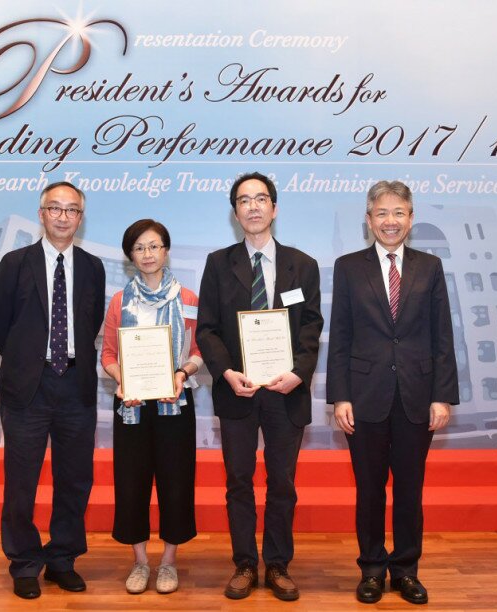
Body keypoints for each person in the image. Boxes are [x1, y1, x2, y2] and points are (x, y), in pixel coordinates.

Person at [326, 180, 459, 605]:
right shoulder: (348, 267)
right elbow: (341, 336)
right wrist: (339, 396)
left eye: (398, 213)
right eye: (381, 213)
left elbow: (442, 337)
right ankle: (370, 569)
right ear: (369, 220)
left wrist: (442, 395)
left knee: (409, 489)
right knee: (368, 489)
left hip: (417, 396)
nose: (390, 221)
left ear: (411, 218)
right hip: (363, 397)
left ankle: (405, 571)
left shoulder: (430, 267)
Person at [196, 172, 323, 601]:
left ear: (274, 208)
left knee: (283, 482)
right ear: (235, 212)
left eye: (261, 199)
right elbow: (208, 329)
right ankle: (245, 564)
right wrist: (227, 372)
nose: (253, 207)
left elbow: (311, 326)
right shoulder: (218, 263)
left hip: (286, 391)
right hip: (238, 390)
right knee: (238, 480)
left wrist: (299, 372)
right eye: (244, 200)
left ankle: (279, 564)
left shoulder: (302, 264)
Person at [0, 181, 105, 599]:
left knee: (75, 480)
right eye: (55, 208)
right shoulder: (14, 263)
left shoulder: (92, 267)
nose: (63, 216)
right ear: (41, 214)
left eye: (72, 210)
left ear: (80, 218)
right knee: (22, 480)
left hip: (76, 386)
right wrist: (26, 361)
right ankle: (23, 562)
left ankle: (61, 560)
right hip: (27, 390)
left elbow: (91, 323)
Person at [101, 219, 201, 595]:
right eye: (139, 247)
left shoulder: (188, 299)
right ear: (130, 255)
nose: (147, 254)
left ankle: (169, 562)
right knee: (131, 484)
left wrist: (181, 373)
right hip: (132, 406)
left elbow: (198, 350)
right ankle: (141, 561)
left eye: (154, 246)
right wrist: (121, 378)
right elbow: (108, 353)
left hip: (175, 404)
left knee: (176, 485)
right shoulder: (119, 301)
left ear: (166, 250)